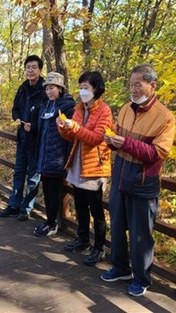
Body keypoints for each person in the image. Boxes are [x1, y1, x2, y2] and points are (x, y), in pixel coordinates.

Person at [100, 64, 175, 297]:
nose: (133, 89)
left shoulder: (165, 116)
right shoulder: (125, 109)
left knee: (141, 234)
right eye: (131, 85)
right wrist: (111, 141)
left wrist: (126, 143)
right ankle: (120, 267)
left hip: (143, 185)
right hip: (120, 179)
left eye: (138, 85)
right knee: (118, 227)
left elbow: (158, 153)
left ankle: (141, 278)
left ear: (152, 86)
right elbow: (117, 136)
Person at [58, 71, 112, 266]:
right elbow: (73, 136)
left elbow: (96, 138)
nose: (82, 91)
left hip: (94, 167)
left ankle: (99, 248)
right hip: (78, 165)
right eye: (80, 87)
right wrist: (64, 127)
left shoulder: (104, 111)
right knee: (80, 206)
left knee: (96, 210)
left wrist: (75, 127)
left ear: (96, 89)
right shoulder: (79, 108)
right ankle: (82, 239)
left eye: (86, 88)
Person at [0, 55, 47, 221]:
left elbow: (48, 116)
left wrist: (34, 126)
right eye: (28, 67)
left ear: (40, 69)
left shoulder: (45, 90)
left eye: (34, 67)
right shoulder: (23, 88)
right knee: (19, 172)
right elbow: (15, 108)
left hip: (37, 140)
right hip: (22, 138)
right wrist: (17, 119)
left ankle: (26, 209)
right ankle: (14, 205)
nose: (30, 70)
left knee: (33, 176)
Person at [33, 72, 75, 237]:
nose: (49, 91)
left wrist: (67, 160)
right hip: (44, 156)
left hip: (58, 158)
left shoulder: (67, 108)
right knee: (47, 191)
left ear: (60, 88)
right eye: (47, 88)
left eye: (53, 88)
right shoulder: (45, 106)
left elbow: (71, 136)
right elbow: (41, 132)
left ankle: (52, 223)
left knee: (55, 192)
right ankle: (49, 221)